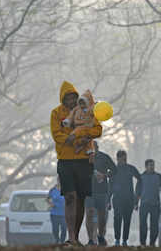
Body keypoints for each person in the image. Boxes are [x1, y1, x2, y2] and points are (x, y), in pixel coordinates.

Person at [50, 81, 103, 246]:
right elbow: (56, 135)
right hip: (65, 161)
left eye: (74, 97)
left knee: (80, 198)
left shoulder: (86, 110)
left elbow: (98, 130)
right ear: (62, 99)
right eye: (68, 98)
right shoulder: (56, 113)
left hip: (83, 161)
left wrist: (82, 133)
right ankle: (71, 236)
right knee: (70, 197)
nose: (71, 101)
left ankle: (76, 237)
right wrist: (71, 140)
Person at [85, 141, 116, 246]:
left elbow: (114, 170)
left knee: (102, 216)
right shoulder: (84, 158)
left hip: (102, 191)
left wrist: (104, 175)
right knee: (89, 213)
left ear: (97, 147)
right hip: (88, 191)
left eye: (94, 147)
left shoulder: (104, 157)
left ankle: (101, 236)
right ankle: (90, 240)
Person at [109, 149, 141, 247]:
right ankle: (117, 239)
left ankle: (125, 240)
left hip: (129, 199)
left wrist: (136, 198)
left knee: (127, 220)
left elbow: (140, 180)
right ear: (117, 158)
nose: (123, 161)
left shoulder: (130, 168)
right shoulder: (113, 170)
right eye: (121, 159)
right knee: (117, 218)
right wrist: (108, 200)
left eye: (125, 159)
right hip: (117, 199)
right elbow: (109, 186)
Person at [138, 159, 161, 247]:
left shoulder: (158, 176)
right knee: (143, 224)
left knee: (154, 225)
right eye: (150, 165)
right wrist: (135, 203)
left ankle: (152, 242)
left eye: (153, 165)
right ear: (146, 166)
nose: (152, 167)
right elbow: (137, 191)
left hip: (155, 204)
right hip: (144, 203)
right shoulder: (141, 177)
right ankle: (143, 243)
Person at [62, 90, 96, 154]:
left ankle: (90, 149)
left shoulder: (90, 109)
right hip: (79, 127)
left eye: (84, 103)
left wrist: (97, 107)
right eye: (80, 103)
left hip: (88, 127)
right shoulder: (77, 109)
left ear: (87, 102)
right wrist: (67, 121)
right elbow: (71, 115)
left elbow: (95, 112)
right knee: (75, 135)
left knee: (89, 140)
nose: (82, 105)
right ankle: (77, 146)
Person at [48, 177, 67, 244]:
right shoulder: (52, 190)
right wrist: (50, 202)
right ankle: (56, 240)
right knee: (55, 230)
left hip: (64, 214)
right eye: (59, 180)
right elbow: (48, 198)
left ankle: (62, 242)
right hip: (54, 214)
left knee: (64, 229)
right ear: (57, 181)